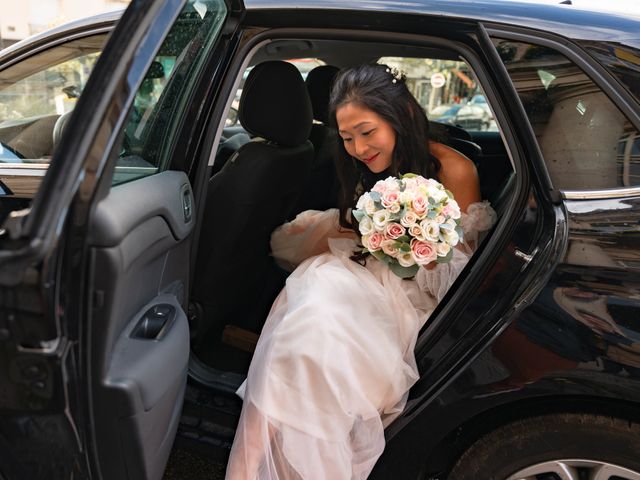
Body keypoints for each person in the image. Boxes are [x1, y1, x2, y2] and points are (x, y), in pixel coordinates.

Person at [225, 63, 496, 479]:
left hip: (414, 294)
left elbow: (456, 276)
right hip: (359, 270)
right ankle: (247, 469)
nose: (358, 148)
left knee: (314, 323)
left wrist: (408, 240)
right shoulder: (359, 166)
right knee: (307, 308)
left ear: (401, 116)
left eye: (367, 133)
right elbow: (357, 236)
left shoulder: (455, 170)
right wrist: (375, 232)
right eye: (348, 137)